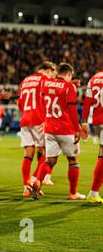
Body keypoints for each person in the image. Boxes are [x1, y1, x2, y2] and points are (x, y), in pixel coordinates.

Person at [31, 63, 85, 200]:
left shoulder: (47, 84)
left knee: (50, 160)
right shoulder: (69, 87)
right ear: (68, 74)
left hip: (50, 128)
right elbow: (72, 109)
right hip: (65, 129)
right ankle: (73, 193)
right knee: (73, 160)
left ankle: (37, 182)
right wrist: (77, 128)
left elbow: (53, 93)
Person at [18, 61, 57, 197]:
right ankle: (34, 181)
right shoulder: (44, 80)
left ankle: (26, 186)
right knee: (50, 152)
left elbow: (20, 102)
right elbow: (48, 99)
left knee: (28, 153)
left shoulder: (25, 80)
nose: (54, 75)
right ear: (48, 70)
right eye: (53, 72)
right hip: (39, 119)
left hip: (25, 118)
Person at [81, 70, 103, 203]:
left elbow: (87, 102)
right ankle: (94, 192)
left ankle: (94, 192)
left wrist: (84, 121)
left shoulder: (93, 78)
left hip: (97, 120)